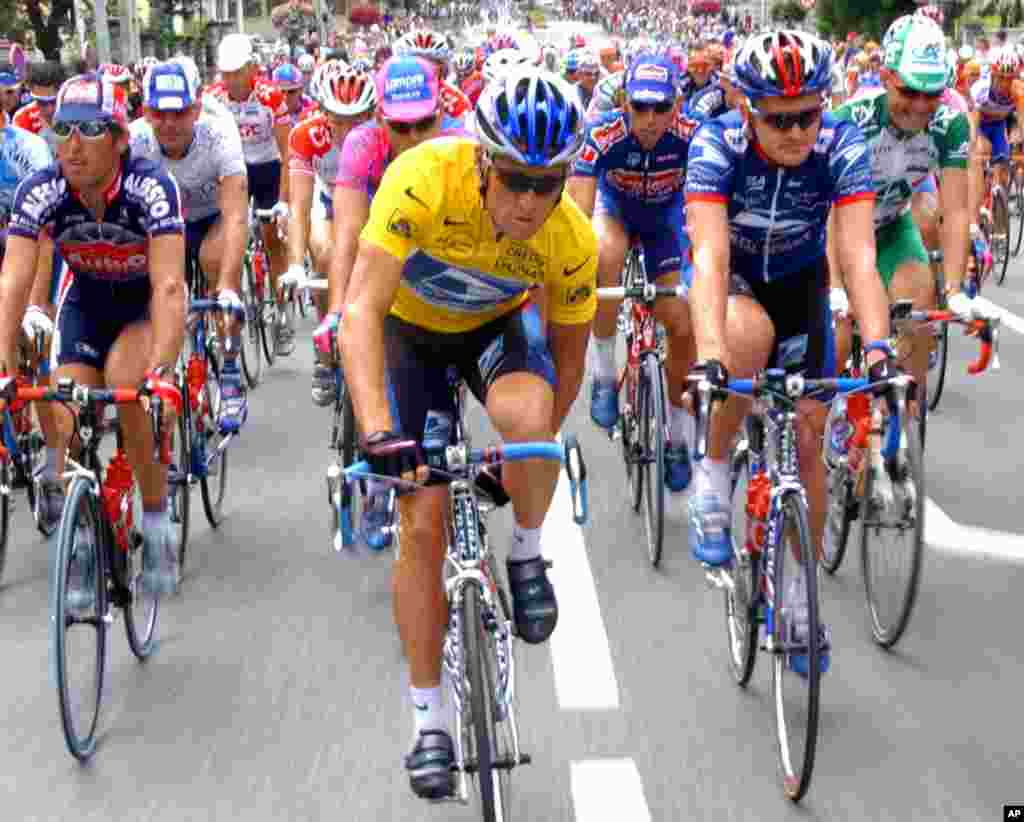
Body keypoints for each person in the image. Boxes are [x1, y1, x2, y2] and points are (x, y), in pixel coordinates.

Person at [339, 69, 594, 799]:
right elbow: (360, 312)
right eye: (515, 179)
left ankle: (526, 554)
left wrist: (522, 469)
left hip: (492, 331)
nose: (529, 202)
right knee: (421, 520)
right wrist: (379, 432)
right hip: (409, 336)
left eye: (548, 185)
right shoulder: (421, 179)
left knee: (528, 419)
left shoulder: (568, 237)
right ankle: (428, 722)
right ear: (482, 159)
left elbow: (567, 373)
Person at [685, 31, 890, 674]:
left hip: (802, 282)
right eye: (780, 118)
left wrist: (880, 350)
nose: (798, 131)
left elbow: (857, 257)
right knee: (745, 341)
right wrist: (712, 356)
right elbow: (710, 258)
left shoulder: (841, 145)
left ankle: (800, 601)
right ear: (747, 108)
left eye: (809, 113)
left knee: (809, 434)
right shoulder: (715, 145)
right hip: (739, 280)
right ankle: (712, 471)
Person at [0, 73, 186, 598]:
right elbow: (12, 278)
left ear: (120, 138)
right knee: (63, 413)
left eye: (89, 129)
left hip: (140, 308)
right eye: (63, 129)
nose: (73, 145)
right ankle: (83, 537)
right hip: (85, 304)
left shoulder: (149, 185)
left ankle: (154, 521)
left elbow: (170, 284)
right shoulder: (44, 188)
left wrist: (166, 371)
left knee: (131, 390)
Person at [829, 14, 973, 424]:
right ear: (887, 76)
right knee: (836, 337)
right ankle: (831, 420)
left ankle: (897, 433)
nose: (922, 105)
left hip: (891, 226)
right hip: (839, 230)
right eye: (911, 90)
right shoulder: (850, 119)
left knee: (919, 308)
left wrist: (956, 288)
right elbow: (824, 210)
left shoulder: (950, 123)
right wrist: (836, 285)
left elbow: (957, 208)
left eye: (933, 93)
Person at [568, 52, 699, 492]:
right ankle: (604, 373)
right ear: (625, 104)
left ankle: (678, 435)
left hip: (665, 220)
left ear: (676, 105)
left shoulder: (694, 135)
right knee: (602, 251)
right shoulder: (603, 134)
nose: (649, 118)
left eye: (660, 107)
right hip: (616, 211)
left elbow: (709, 208)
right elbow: (577, 211)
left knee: (680, 320)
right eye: (640, 106)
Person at [130, 59, 250, 434]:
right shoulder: (134, 141)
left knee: (215, 263)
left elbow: (235, 216)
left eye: (179, 113)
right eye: (159, 113)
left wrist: (229, 286)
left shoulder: (220, 134)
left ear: (196, 109)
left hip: (211, 219)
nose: (168, 123)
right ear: (145, 111)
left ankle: (229, 370)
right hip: (165, 227)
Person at [209, 33, 295, 356]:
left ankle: (283, 316)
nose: (231, 80)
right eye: (225, 73)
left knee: (273, 241)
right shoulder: (214, 99)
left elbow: (288, 153)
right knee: (225, 239)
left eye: (237, 72)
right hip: (232, 172)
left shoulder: (271, 97)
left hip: (268, 170)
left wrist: (284, 200)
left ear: (251, 69)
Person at [284, 64, 376, 315]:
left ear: (371, 115)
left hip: (371, 201)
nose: (346, 133)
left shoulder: (384, 134)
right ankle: (327, 338)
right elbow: (299, 208)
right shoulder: (305, 135)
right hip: (327, 202)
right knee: (326, 257)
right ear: (323, 113)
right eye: (337, 122)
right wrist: (294, 264)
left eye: (355, 122)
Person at [12, 61, 65, 154]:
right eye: (42, 103)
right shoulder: (22, 118)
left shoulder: (76, 112)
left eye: (55, 101)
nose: (50, 110)